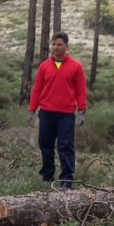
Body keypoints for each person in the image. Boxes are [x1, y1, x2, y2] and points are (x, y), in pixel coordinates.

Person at [28, 32, 87, 190]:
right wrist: (31, 110)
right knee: (45, 144)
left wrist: (81, 110)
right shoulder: (44, 66)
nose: (55, 47)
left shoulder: (76, 67)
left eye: (59, 44)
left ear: (66, 46)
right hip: (46, 113)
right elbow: (37, 89)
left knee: (65, 146)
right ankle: (47, 175)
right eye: (53, 44)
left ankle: (67, 179)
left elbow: (81, 90)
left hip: (66, 115)